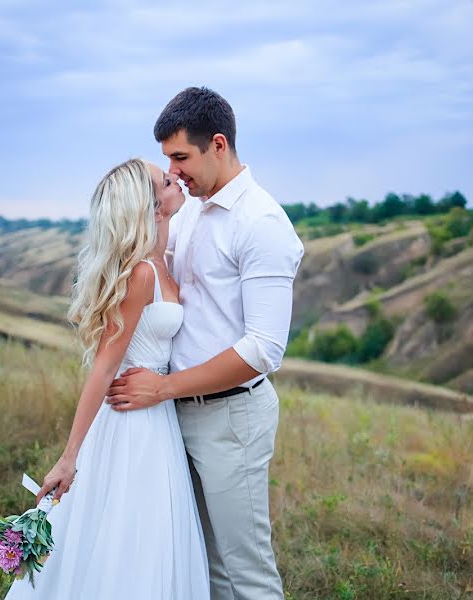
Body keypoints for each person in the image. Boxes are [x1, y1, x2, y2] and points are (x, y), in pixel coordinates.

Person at [105, 87, 304, 600]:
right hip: (171, 418)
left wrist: (164, 387)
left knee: (246, 572)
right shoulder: (190, 208)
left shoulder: (261, 224)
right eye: (168, 159)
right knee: (198, 562)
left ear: (218, 144)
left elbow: (263, 350)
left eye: (180, 157)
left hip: (230, 419)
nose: (173, 172)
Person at [7, 158, 209, 599]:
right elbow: (103, 367)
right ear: (150, 203)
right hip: (130, 424)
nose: (175, 177)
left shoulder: (162, 262)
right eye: (164, 179)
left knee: (153, 536)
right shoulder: (141, 274)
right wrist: (69, 456)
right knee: (129, 537)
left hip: (159, 418)